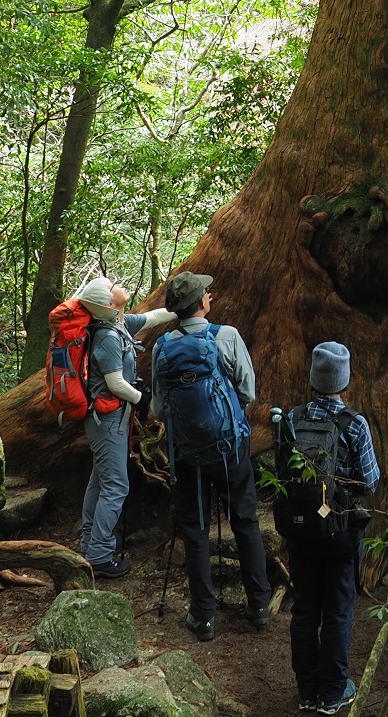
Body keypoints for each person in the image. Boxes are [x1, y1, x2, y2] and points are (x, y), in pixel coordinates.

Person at [149, 270, 271, 642]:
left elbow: (157, 408)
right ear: (201, 302)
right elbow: (248, 391)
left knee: (196, 530)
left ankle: (203, 616)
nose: (210, 297)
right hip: (229, 448)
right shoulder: (226, 336)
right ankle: (259, 606)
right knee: (245, 520)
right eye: (207, 293)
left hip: (187, 454)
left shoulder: (161, 347)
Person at [275, 341, 379, 716]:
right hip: (339, 532)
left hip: (299, 532)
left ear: (314, 378)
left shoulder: (292, 418)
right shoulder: (354, 425)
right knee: (337, 610)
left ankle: (306, 690)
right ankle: (333, 692)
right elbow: (369, 481)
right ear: (344, 380)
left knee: (304, 609)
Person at [74, 275, 174, 578]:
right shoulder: (106, 335)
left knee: (100, 481)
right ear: (107, 303)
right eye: (112, 287)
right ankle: (100, 556)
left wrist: (185, 306)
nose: (118, 285)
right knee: (116, 486)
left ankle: (90, 541)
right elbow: (115, 382)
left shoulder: (118, 324)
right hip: (107, 421)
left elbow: (155, 317)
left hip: (110, 419)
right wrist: (142, 398)